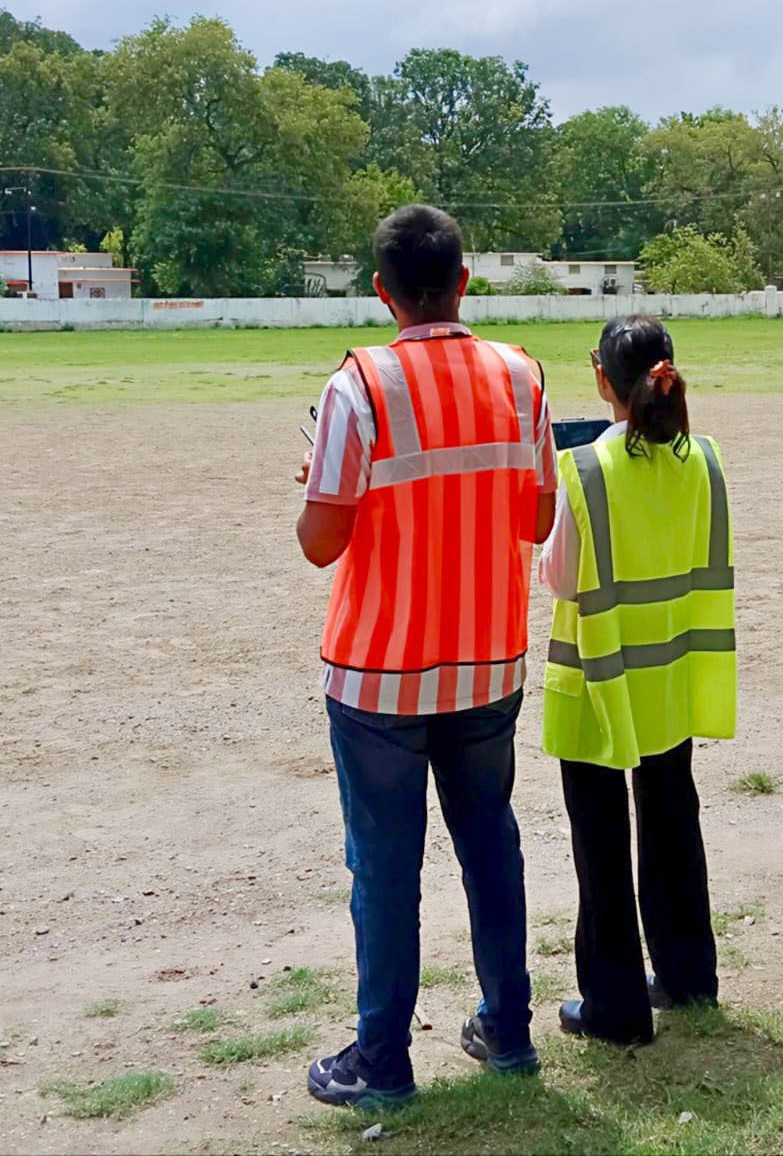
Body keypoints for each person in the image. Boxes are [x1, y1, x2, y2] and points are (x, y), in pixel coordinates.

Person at [295, 205, 557, 1107]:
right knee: (492, 847)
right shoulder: (521, 377)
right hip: (488, 661)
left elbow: (321, 544)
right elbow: (538, 518)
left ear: (382, 291)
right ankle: (509, 1027)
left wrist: (325, 488)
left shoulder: (358, 388)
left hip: (379, 673)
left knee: (385, 864)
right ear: (464, 280)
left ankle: (383, 1058)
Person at [538, 314, 737, 1045]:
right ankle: (687, 975)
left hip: (600, 676)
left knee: (600, 840)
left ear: (602, 377)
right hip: (673, 674)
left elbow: (560, 577)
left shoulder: (587, 465)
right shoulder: (705, 459)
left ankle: (615, 1007)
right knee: (672, 824)